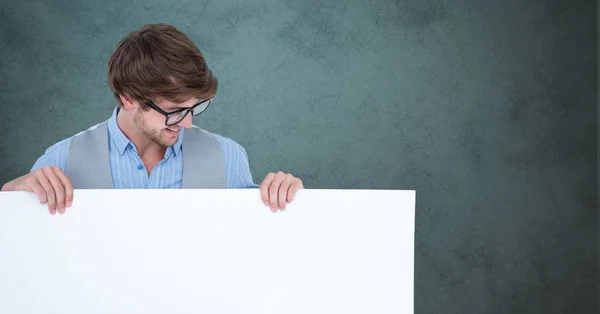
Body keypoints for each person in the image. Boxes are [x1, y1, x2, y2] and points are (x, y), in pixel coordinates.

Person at [1, 23, 303, 215]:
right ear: (128, 98)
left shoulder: (229, 157)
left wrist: (290, 199)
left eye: (194, 107)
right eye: (173, 110)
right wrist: (13, 195)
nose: (186, 123)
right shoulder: (61, 159)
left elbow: (257, 244)